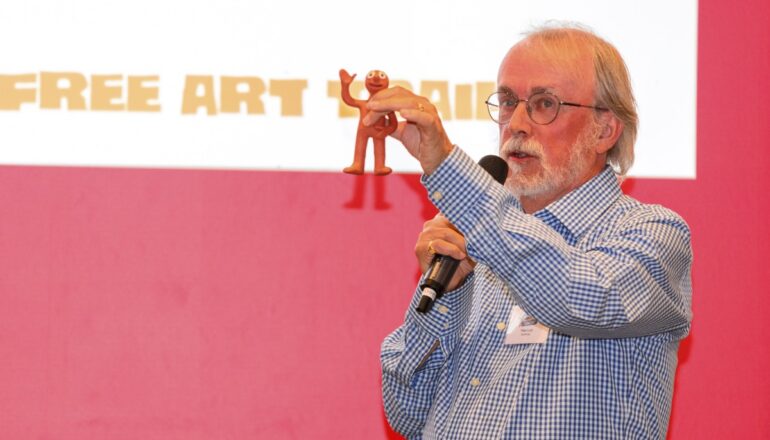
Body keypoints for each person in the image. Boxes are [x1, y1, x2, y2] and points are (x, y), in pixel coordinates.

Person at [370, 25, 693, 439]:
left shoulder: (653, 235)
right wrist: (448, 295)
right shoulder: (478, 245)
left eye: (544, 104)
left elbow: (578, 297)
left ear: (604, 131)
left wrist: (447, 165)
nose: (517, 124)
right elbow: (408, 412)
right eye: (508, 102)